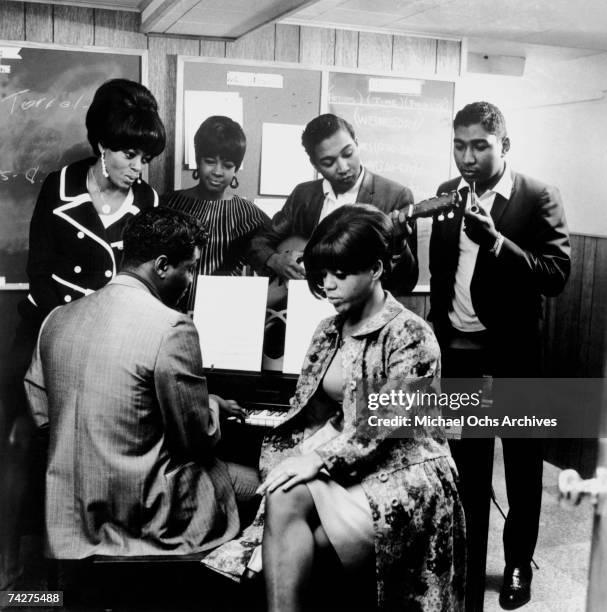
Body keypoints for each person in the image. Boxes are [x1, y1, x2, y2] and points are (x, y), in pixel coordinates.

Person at [203, 205, 465, 611]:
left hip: (405, 470)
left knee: (315, 541)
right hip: (345, 461)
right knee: (283, 497)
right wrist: (287, 450)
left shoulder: (412, 334)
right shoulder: (327, 330)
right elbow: (306, 408)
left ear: (376, 268)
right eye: (321, 275)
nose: (327, 286)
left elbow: (384, 423)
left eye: (340, 274)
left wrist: (318, 459)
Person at [0, 78, 166, 589]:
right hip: (50, 327)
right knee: (19, 438)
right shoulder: (60, 184)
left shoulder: (149, 198)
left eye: (146, 157)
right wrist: (74, 333)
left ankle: (86, 565)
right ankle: (10, 561)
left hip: (112, 341)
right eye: (130, 154)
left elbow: (142, 284)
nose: (139, 169)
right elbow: (42, 268)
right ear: (102, 146)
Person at [24, 207, 259, 558]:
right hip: (145, 513)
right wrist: (212, 405)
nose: (191, 280)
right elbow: (194, 439)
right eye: (190, 268)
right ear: (162, 266)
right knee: (262, 486)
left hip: (71, 514)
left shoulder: (56, 319)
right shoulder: (172, 328)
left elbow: (43, 416)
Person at [429, 101, 570, 610]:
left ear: (504, 146)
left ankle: (516, 564)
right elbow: (443, 270)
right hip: (459, 352)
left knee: (522, 465)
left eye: (480, 146)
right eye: (460, 145)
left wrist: (496, 242)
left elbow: (555, 274)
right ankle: (467, 565)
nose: (468, 156)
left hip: (514, 354)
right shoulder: (448, 194)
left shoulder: (537, 195)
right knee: (467, 466)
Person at [250, 113, 419, 296]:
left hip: (361, 315)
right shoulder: (303, 196)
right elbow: (258, 242)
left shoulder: (395, 196)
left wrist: (399, 244)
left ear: (357, 143)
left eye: (348, 154)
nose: (343, 168)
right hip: (304, 305)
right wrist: (275, 260)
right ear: (315, 164)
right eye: (328, 162)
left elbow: (406, 283)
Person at [161, 115, 270, 313]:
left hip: (223, 315)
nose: (218, 171)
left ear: (236, 169)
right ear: (197, 160)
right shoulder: (167, 204)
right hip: (167, 311)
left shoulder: (249, 215)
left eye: (228, 165)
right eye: (210, 161)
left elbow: (274, 256)